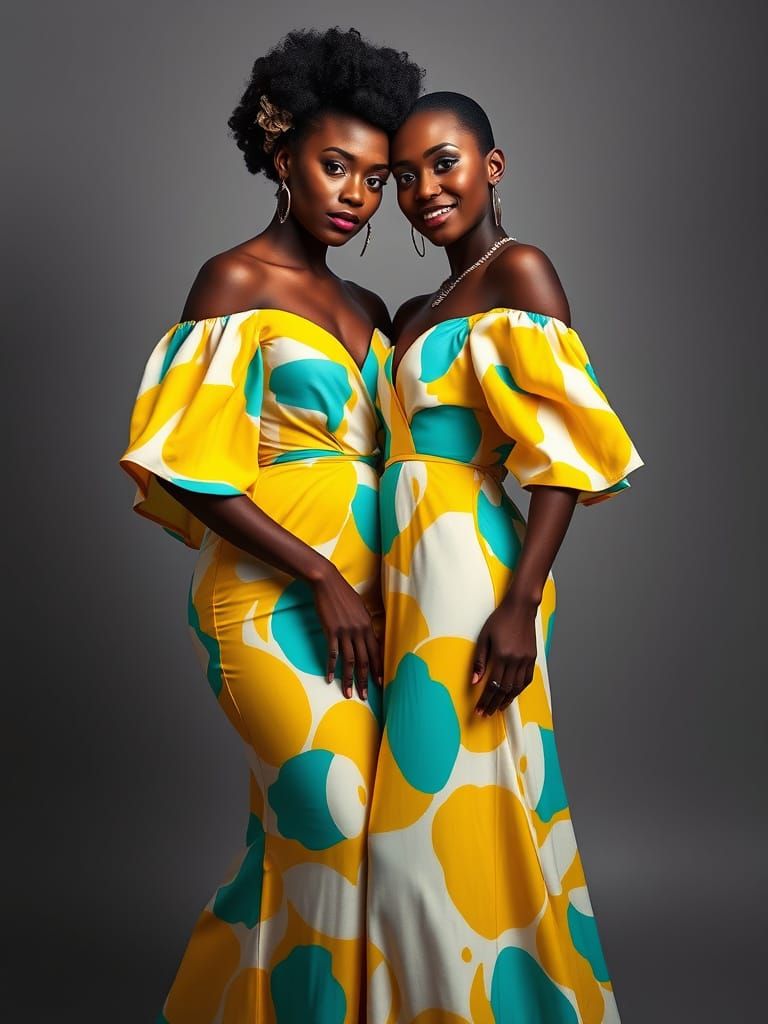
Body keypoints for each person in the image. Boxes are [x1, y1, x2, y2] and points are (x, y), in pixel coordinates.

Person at [118, 28, 423, 1023]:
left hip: (377, 612)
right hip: (270, 605)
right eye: (336, 166)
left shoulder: (370, 303)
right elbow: (191, 467)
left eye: (374, 178)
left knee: (317, 842)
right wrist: (322, 578)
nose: (356, 195)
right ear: (282, 153)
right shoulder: (233, 283)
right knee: (331, 825)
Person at [366, 92, 643, 1023]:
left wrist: (521, 603)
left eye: (443, 163)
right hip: (404, 574)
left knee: (435, 817)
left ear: (492, 166)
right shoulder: (420, 307)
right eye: (405, 177)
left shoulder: (520, 270)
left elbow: (560, 455)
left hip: (468, 573)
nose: (424, 190)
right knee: (443, 813)